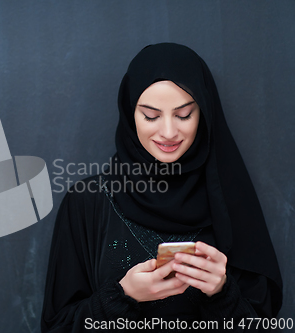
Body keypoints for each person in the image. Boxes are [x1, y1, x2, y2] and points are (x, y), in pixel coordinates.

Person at [41, 43, 283, 332]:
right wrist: (122, 297)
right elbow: (57, 327)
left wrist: (221, 293)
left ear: (204, 114)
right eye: (151, 116)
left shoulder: (231, 200)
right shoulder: (88, 202)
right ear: (130, 115)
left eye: (183, 115)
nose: (168, 132)